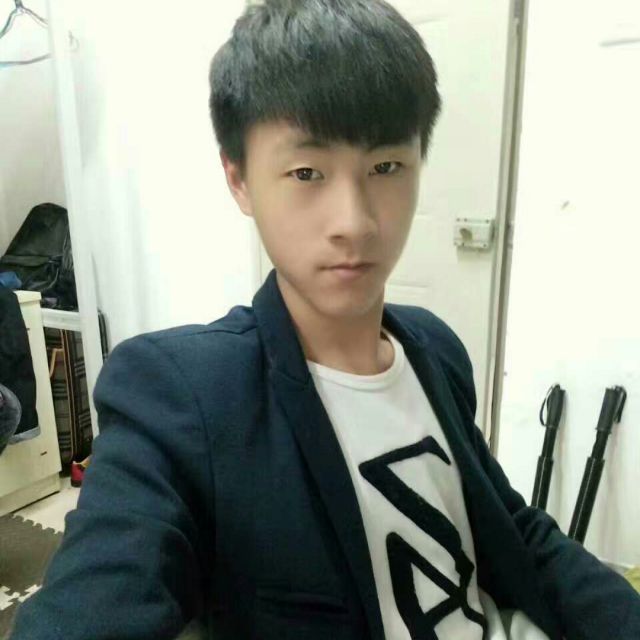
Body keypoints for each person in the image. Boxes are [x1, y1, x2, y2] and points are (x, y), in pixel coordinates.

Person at [9, 1, 640, 638]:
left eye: (385, 167)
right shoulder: (184, 396)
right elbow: (98, 592)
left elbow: (511, 528)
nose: (355, 222)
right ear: (239, 179)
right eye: (307, 172)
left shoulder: (435, 348)